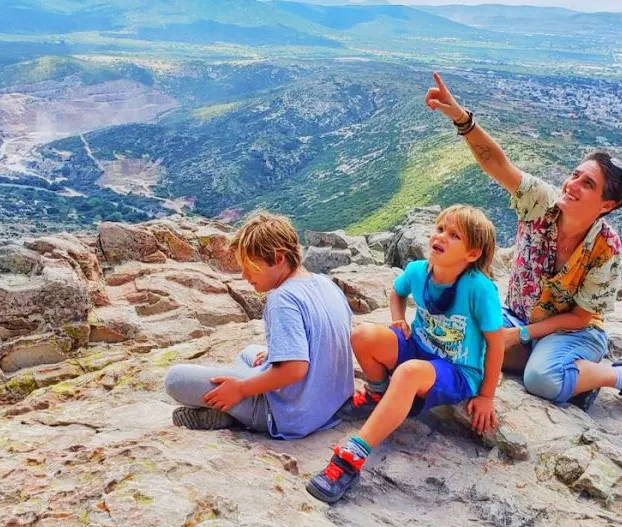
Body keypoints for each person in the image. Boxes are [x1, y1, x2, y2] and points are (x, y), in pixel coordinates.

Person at [424, 72, 622, 422]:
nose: (572, 184)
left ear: (606, 204)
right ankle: (573, 378)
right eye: (575, 174)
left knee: (539, 378)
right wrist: (460, 118)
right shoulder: (541, 203)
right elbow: (495, 162)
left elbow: (580, 317)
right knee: (455, 342)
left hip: (575, 332)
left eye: (587, 184)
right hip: (516, 315)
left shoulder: (605, 247)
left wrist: (520, 335)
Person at [306, 205, 505, 504]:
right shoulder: (417, 271)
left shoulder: (479, 289)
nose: (441, 237)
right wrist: (397, 317)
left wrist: (487, 394)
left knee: (409, 372)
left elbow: (497, 342)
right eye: (440, 229)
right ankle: (379, 395)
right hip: (419, 347)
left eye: (454, 235)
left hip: (458, 370)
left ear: (472, 254)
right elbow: (396, 292)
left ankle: (352, 457)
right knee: (363, 335)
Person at [163, 212, 354, 439]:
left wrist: (240, 389)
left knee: (175, 379)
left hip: (291, 414)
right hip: (331, 404)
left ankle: (234, 414)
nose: (244, 276)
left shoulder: (283, 299)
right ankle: (236, 406)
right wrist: (276, 355)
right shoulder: (324, 283)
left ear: (279, 258)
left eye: (251, 267)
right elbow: (329, 339)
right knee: (249, 354)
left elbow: (295, 369)